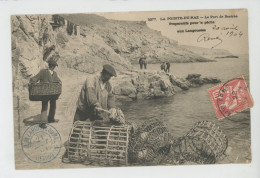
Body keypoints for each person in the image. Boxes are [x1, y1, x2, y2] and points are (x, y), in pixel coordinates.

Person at [62, 64, 118, 163]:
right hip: (83, 110)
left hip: (97, 111)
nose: (110, 78)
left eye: (111, 76)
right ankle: (68, 154)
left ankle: (101, 154)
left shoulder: (108, 85)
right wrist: (96, 104)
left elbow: (110, 98)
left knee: (101, 132)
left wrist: (113, 108)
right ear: (104, 73)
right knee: (76, 131)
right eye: (109, 75)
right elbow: (90, 95)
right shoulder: (91, 79)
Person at [30, 58, 61, 123]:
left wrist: (59, 83)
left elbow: (58, 81)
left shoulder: (55, 73)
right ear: (51, 66)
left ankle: (51, 119)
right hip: (44, 92)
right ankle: (43, 121)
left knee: (53, 105)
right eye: (54, 66)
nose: (54, 68)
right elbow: (35, 78)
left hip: (53, 93)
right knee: (45, 105)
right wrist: (32, 82)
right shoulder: (43, 71)